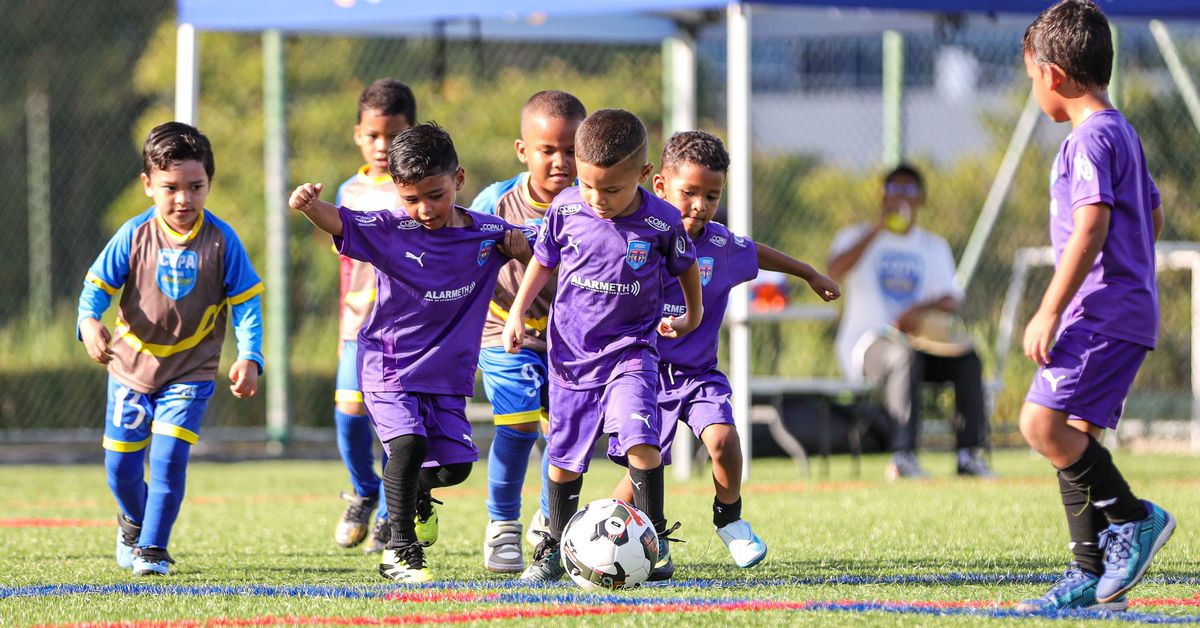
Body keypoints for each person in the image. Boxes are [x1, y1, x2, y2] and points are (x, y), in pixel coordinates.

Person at [289, 123, 531, 583]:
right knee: (407, 444)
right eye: (411, 198)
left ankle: (409, 497)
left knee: (456, 467)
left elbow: (544, 253)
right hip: (388, 364)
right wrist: (308, 205)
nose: (423, 209)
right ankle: (400, 549)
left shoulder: (489, 235)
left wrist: (522, 248)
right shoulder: (391, 228)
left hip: (446, 375)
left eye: (434, 195)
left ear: (458, 180)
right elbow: (340, 220)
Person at [608, 131, 840, 568]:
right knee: (638, 476)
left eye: (711, 196)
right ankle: (610, 543)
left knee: (724, 439)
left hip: (697, 375)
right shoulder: (634, 237)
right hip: (643, 375)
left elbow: (759, 253)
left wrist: (810, 274)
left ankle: (729, 519)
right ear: (659, 186)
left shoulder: (719, 245)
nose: (700, 205)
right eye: (689, 192)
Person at [1014, 0, 1174, 612]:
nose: (1034, 90)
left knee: (1040, 424)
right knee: (1074, 436)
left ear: (1051, 75)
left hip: (1099, 313)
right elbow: (1151, 213)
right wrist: (1130, 267)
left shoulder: (1087, 141)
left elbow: (1090, 226)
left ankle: (1136, 519)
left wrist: (1051, 307)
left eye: (1031, 78)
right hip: (1127, 310)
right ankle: (1090, 571)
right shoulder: (1122, 131)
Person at [504, 109, 702, 583]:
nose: (598, 198)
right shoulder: (567, 209)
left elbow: (686, 265)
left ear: (644, 175)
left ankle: (653, 543)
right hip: (571, 358)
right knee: (563, 458)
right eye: (589, 185)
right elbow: (542, 262)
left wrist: (692, 313)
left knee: (642, 441)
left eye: (611, 189)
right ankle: (552, 547)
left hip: (633, 352)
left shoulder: (662, 222)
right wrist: (517, 310)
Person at [77, 122, 264, 576]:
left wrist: (250, 356)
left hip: (192, 366)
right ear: (147, 185)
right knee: (120, 466)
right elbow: (94, 290)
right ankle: (133, 523)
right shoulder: (133, 234)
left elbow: (247, 304)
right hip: (130, 362)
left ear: (209, 184)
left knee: (167, 457)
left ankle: (153, 548)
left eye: (195, 187)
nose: (183, 199)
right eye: (171, 188)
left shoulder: (222, 240)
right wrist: (88, 324)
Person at [470, 90, 587, 573]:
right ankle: (502, 526)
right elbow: (463, 259)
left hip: (569, 339)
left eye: (571, 150)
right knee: (517, 426)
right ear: (523, 150)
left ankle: (550, 523)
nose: (560, 161)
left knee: (561, 435)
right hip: (503, 330)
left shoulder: (594, 206)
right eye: (548, 150)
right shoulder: (497, 202)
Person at [827, 164, 993, 479]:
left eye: (909, 191)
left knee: (968, 360)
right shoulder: (855, 236)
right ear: (881, 195)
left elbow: (950, 297)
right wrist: (878, 228)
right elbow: (832, 272)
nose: (900, 197)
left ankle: (968, 455)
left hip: (923, 344)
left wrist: (919, 309)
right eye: (893, 190)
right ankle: (903, 456)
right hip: (870, 346)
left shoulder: (933, 245)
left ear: (922, 200)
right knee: (903, 355)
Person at [331, 78, 415, 554]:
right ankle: (363, 490)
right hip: (356, 327)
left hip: (405, 331)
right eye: (374, 135)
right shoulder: (349, 189)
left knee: (395, 424)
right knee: (348, 413)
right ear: (358, 134)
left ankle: (389, 514)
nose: (383, 146)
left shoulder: (418, 188)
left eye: (394, 135)